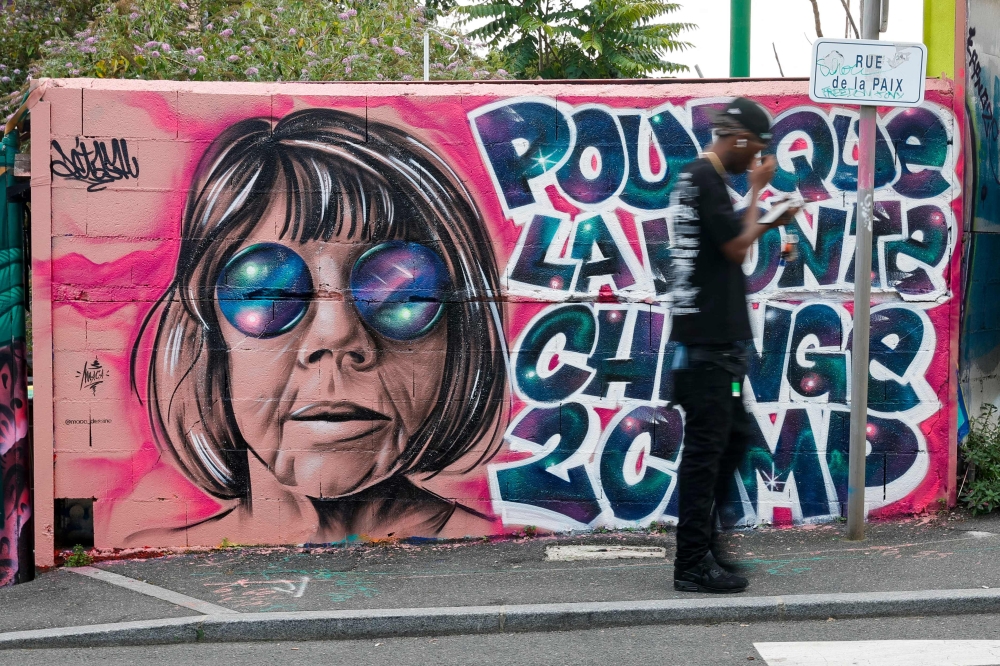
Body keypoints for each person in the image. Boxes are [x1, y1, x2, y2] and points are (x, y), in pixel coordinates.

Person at [130, 108, 507, 544]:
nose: (336, 335)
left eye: (399, 294)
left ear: (460, 336)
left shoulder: (502, 555)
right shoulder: (147, 557)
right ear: (208, 336)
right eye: (269, 293)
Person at [669, 97, 797, 594]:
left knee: (731, 441)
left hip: (707, 344)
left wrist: (756, 195)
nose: (760, 157)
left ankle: (705, 548)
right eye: (758, 148)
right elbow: (736, 246)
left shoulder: (700, 181)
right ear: (739, 139)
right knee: (706, 454)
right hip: (708, 345)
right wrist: (772, 208)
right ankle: (692, 562)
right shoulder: (704, 180)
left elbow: (727, 240)